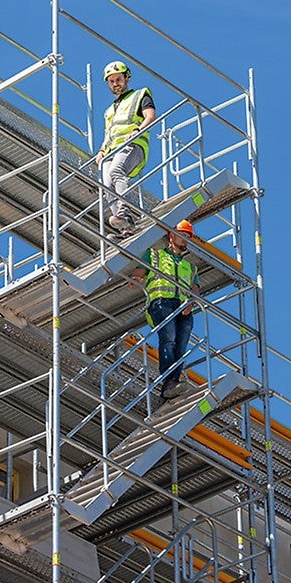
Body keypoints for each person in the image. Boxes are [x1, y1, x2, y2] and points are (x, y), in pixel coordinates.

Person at [131, 220, 200, 399]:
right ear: (171, 235)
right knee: (168, 339)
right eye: (183, 236)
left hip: (184, 308)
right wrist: (136, 279)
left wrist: (191, 302)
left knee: (181, 346)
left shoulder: (191, 266)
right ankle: (169, 382)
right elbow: (139, 272)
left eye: (188, 237)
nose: (186, 240)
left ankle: (172, 383)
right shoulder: (154, 255)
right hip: (161, 303)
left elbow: (195, 288)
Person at [95, 61, 156, 235]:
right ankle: (125, 226)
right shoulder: (109, 111)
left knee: (116, 172)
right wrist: (101, 151)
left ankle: (125, 214)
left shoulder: (139, 95)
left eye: (118, 79)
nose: (115, 84)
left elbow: (150, 116)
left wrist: (137, 130)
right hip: (111, 151)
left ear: (126, 78)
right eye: (112, 81)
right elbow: (109, 134)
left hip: (133, 145)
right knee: (106, 184)